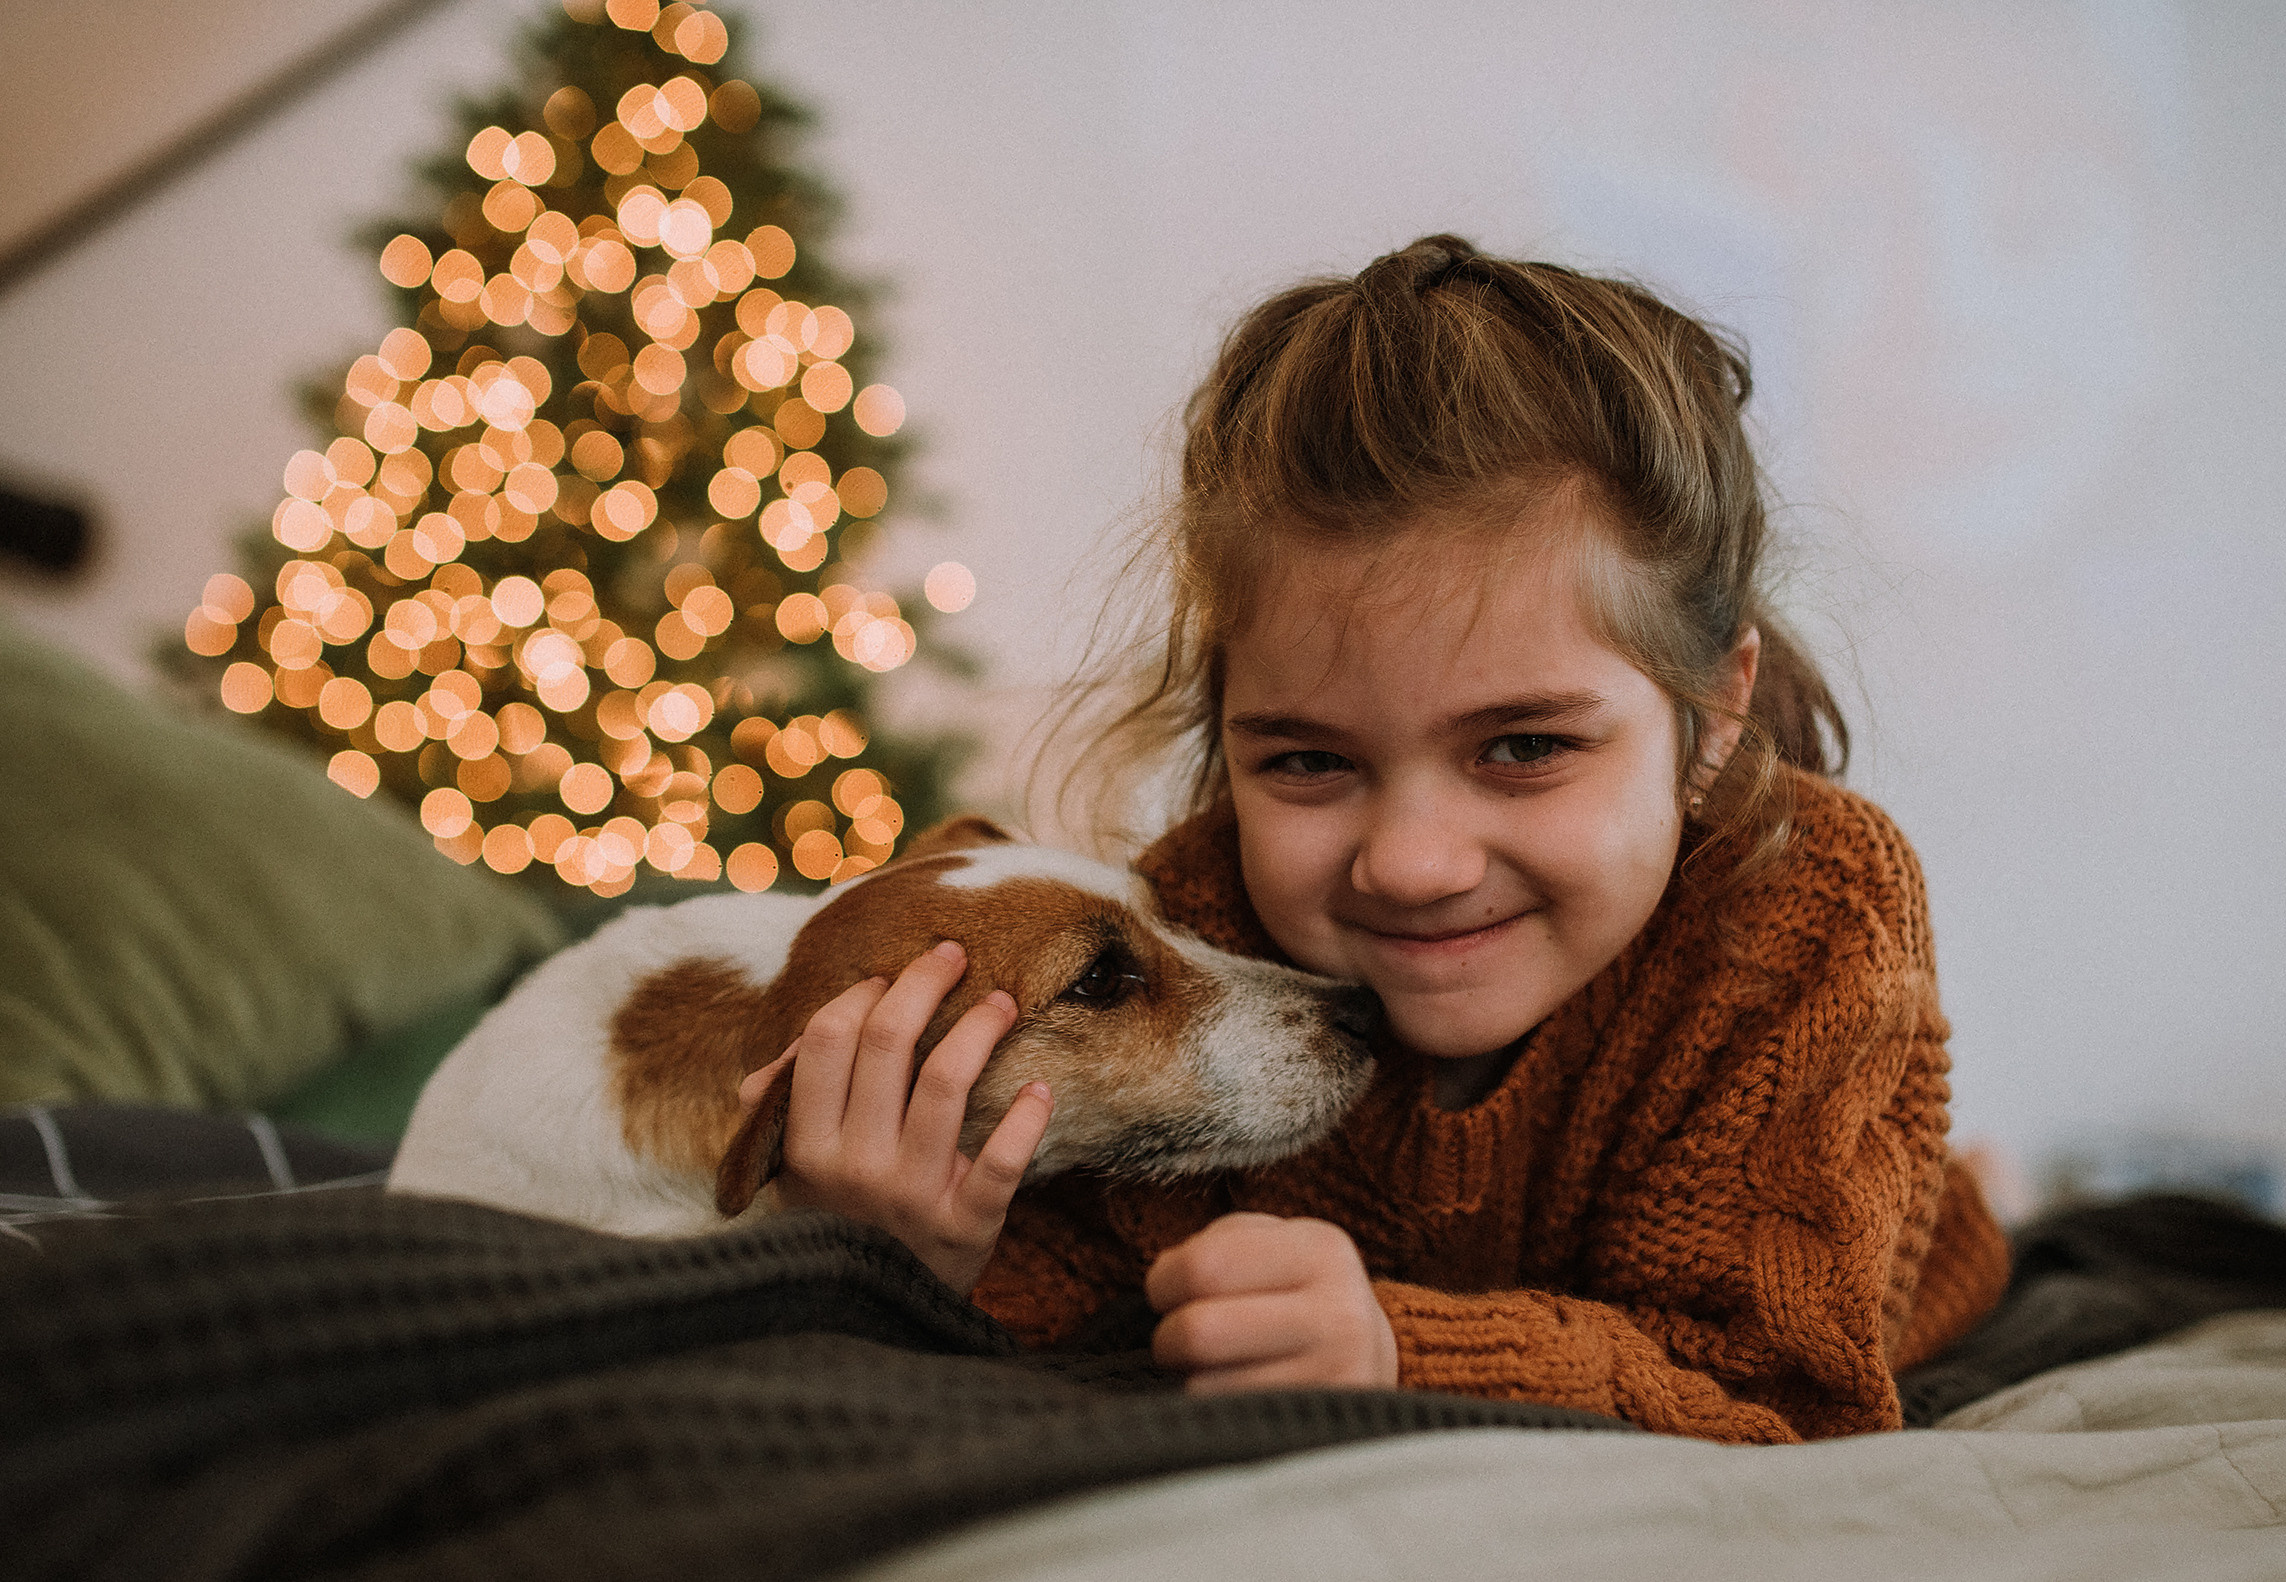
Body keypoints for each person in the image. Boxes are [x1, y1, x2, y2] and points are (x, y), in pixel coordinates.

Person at [739, 234, 2010, 1444]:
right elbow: (1060, 1289)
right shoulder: (1193, 941)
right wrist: (913, 1258)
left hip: (1905, 1270)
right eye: (1308, 761)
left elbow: (1797, 1399)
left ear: (1715, 708)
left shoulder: (1812, 915)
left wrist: (1406, 1353)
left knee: (1958, 1223)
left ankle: (1980, 1189)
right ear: (1226, 724)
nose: (1411, 862)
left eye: (1523, 747)